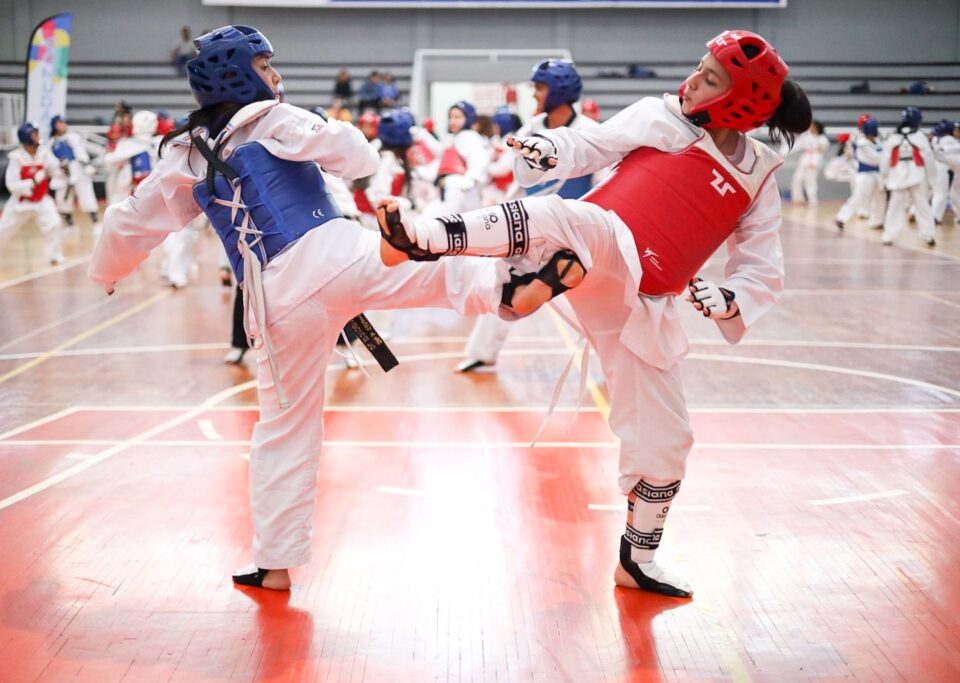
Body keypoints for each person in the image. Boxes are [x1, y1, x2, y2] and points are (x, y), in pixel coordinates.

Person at [88, 24, 580, 592]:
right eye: (266, 68)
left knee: (284, 427)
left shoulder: (184, 152)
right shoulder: (274, 118)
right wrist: (324, 125)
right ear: (239, 75)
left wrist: (106, 273)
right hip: (335, 251)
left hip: (273, 297)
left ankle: (274, 564)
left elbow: (131, 221)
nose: (276, 77)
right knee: (424, 265)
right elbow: (357, 157)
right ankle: (501, 290)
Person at [377, 29, 811, 599]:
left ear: (742, 100)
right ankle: (422, 237)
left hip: (644, 302)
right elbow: (593, 147)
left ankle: (638, 561)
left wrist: (729, 299)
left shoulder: (757, 177)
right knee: (574, 219)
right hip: (607, 239)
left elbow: (762, 267)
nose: (692, 81)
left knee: (667, 441)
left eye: (709, 77)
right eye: (699, 67)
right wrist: (551, 150)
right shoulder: (663, 118)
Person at [458, 59, 599, 374]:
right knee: (503, 283)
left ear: (559, 89)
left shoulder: (591, 133)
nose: (534, 94)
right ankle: (483, 353)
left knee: (593, 304)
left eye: (539, 87)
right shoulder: (532, 129)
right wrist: (502, 217)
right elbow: (518, 179)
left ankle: (612, 365)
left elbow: (606, 184)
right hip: (530, 225)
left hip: (573, 233)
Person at [0, 122, 64, 266]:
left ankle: (54, 256)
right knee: (2, 228)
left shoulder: (44, 152)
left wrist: (62, 167)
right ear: (27, 137)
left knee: (54, 224)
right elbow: (11, 185)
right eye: (35, 134)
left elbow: (54, 169)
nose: (38, 137)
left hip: (41, 199)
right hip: (20, 202)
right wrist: (32, 183)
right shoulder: (16, 157)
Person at [880, 106, 937, 246]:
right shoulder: (920, 136)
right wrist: (932, 179)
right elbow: (929, 158)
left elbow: (884, 159)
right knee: (922, 206)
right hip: (917, 175)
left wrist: (884, 177)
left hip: (896, 176)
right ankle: (928, 235)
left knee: (894, 207)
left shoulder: (893, 136)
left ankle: (889, 236)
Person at [47, 115, 100, 230]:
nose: (62, 125)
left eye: (63, 122)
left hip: (77, 169)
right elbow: (50, 160)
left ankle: (95, 223)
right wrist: (59, 167)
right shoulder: (50, 143)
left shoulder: (72, 137)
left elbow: (80, 152)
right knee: (62, 199)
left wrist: (85, 165)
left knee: (86, 195)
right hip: (61, 173)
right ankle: (70, 226)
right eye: (59, 123)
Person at [834, 118, 885, 231]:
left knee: (879, 198)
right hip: (865, 175)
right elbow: (877, 158)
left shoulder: (877, 142)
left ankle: (877, 221)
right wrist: (885, 155)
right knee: (858, 197)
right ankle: (841, 218)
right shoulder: (862, 143)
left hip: (877, 174)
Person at [787, 120, 829, 206]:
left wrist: (815, 159)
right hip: (805, 159)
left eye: (813, 126)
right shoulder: (805, 137)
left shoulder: (822, 139)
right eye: (811, 126)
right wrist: (784, 152)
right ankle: (797, 198)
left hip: (815, 159)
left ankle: (812, 200)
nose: (811, 128)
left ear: (817, 128)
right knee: (797, 178)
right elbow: (796, 146)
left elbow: (823, 149)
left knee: (811, 180)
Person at [930, 119, 959, 224]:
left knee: (943, 193)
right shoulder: (947, 139)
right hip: (944, 167)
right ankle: (935, 217)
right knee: (946, 193)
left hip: (941, 166)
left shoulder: (937, 139)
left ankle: (935, 216)